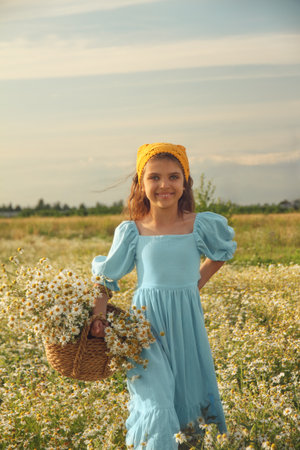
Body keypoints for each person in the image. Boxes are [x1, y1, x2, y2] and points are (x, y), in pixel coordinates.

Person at [90, 143, 237, 449]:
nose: (164, 185)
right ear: (141, 186)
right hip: (145, 330)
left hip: (186, 325)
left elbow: (222, 253)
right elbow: (105, 277)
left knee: (186, 394)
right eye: (154, 178)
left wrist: (193, 285)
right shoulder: (133, 231)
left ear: (185, 183)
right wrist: (98, 316)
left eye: (173, 177)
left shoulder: (198, 225)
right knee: (156, 399)